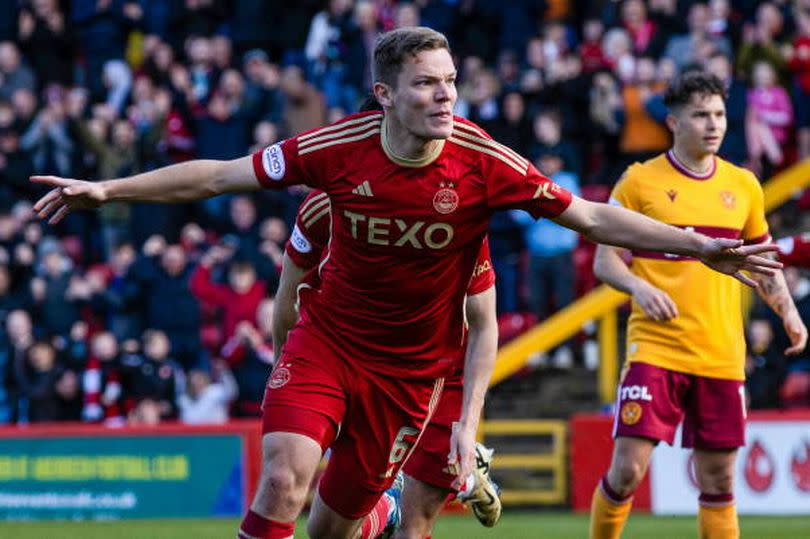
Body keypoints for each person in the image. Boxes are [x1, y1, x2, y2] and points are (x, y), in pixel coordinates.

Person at [31, 27, 781, 539]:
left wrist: (698, 246)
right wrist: (110, 188)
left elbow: (588, 217)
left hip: (410, 376)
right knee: (283, 480)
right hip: (327, 345)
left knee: (334, 527)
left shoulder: (486, 164)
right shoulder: (336, 150)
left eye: (451, 82)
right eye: (426, 84)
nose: (446, 97)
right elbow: (219, 176)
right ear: (386, 93)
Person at [589, 71, 808, 539]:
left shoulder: (744, 185)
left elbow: (764, 262)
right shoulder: (640, 181)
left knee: (719, 479)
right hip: (656, 349)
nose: (713, 124)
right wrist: (639, 288)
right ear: (673, 122)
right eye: (700, 115)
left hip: (721, 354)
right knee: (627, 470)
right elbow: (604, 262)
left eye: (719, 114)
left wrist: (787, 312)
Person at [273, 189, 501, 537]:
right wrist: (283, 376)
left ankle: (463, 473)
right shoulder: (325, 205)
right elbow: (287, 298)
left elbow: (484, 321)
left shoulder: (452, 211)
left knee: (412, 529)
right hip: (363, 365)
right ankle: (391, 504)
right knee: (326, 530)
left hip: (439, 370)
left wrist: (468, 427)